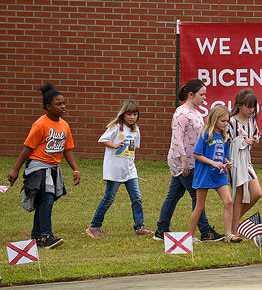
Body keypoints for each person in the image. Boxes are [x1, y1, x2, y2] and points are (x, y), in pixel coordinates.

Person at [6, 83, 80, 249]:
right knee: (46, 200)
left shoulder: (64, 125)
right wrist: (15, 169)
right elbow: (28, 148)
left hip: (54, 168)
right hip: (38, 167)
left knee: (44, 202)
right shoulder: (40, 124)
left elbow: (67, 149)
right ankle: (46, 236)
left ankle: (36, 237)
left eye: (64, 103)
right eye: (58, 104)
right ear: (48, 106)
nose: (63, 107)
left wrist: (75, 169)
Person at [154, 79, 224, 242]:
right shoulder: (182, 113)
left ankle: (161, 230)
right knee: (197, 196)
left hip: (194, 161)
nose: (204, 98)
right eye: (202, 94)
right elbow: (176, 139)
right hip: (184, 162)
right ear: (191, 94)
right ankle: (206, 232)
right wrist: (184, 161)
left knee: (174, 195)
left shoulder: (197, 113)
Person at [85, 99, 153, 238]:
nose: (132, 117)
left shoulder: (136, 130)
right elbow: (103, 139)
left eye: (135, 114)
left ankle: (139, 226)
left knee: (137, 198)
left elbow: (133, 149)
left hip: (130, 170)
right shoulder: (116, 127)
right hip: (114, 170)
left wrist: (129, 161)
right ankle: (94, 226)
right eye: (129, 114)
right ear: (123, 114)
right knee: (109, 198)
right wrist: (115, 145)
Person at [189, 105, 238, 243]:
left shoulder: (223, 136)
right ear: (215, 119)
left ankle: (228, 234)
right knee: (200, 205)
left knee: (228, 201)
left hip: (219, 174)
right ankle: (191, 236)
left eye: (227, 121)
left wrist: (226, 162)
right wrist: (212, 162)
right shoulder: (206, 135)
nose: (225, 124)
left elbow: (224, 155)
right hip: (205, 174)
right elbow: (197, 154)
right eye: (223, 121)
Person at [227, 89, 262, 238]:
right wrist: (242, 141)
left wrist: (255, 140)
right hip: (235, 163)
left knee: (257, 193)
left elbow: (256, 135)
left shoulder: (252, 121)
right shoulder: (231, 121)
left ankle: (234, 222)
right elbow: (227, 141)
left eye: (253, 107)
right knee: (239, 196)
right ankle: (233, 230)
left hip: (247, 162)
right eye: (249, 106)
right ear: (240, 105)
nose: (251, 110)